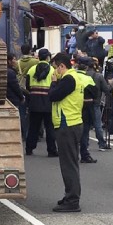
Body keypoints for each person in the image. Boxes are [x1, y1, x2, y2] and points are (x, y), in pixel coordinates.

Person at [48, 52, 85, 212]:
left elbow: (53, 96)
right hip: (74, 123)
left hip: (67, 124)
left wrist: (54, 83)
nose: (54, 72)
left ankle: (72, 200)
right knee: (72, 163)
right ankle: (70, 195)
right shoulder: (76, 77)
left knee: (68, 165)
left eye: (55, 68)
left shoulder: (68, 79)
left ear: (62, 66)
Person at [25, 48, 57, 157]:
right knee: (50, 128)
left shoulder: (32, 69)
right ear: (48, 57)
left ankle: (29, 148)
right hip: (48, 102)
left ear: (38, 57)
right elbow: (56, 86)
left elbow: (27, 86)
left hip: (34, 101)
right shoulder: (53, 70)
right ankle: (51, 150)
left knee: (33, 127)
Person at [73, 56, 99, 163]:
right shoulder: (88, 79)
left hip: (73, 106)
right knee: (84, 132)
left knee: (73, 132)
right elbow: (95, 93)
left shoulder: (72, 76)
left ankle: (73, 155)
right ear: (87, 67)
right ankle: (84, 155)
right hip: (86, 107)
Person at [6, 53, 27, 141]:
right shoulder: (10, 72)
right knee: (18, 117)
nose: (15, 61)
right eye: (14, 59)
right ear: (9, 61)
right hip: (13, 99)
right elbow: (15, 87)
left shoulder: (8, 71)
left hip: (8, 98)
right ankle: (21, 135)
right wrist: (21, 97)